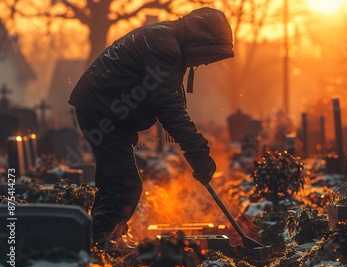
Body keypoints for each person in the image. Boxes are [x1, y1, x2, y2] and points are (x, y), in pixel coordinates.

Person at [68, 7, 234, 252]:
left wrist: (194, 148)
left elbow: (169, 100)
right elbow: (168, 106)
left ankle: (105, 237)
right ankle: (103, 243)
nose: (206, 61)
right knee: (125, 182)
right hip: (103, 112)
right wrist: (197, 151)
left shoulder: (167, 40)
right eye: (207, 55)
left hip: (109, 112)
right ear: (198, 40)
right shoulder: (164, 46)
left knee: (114, 178)